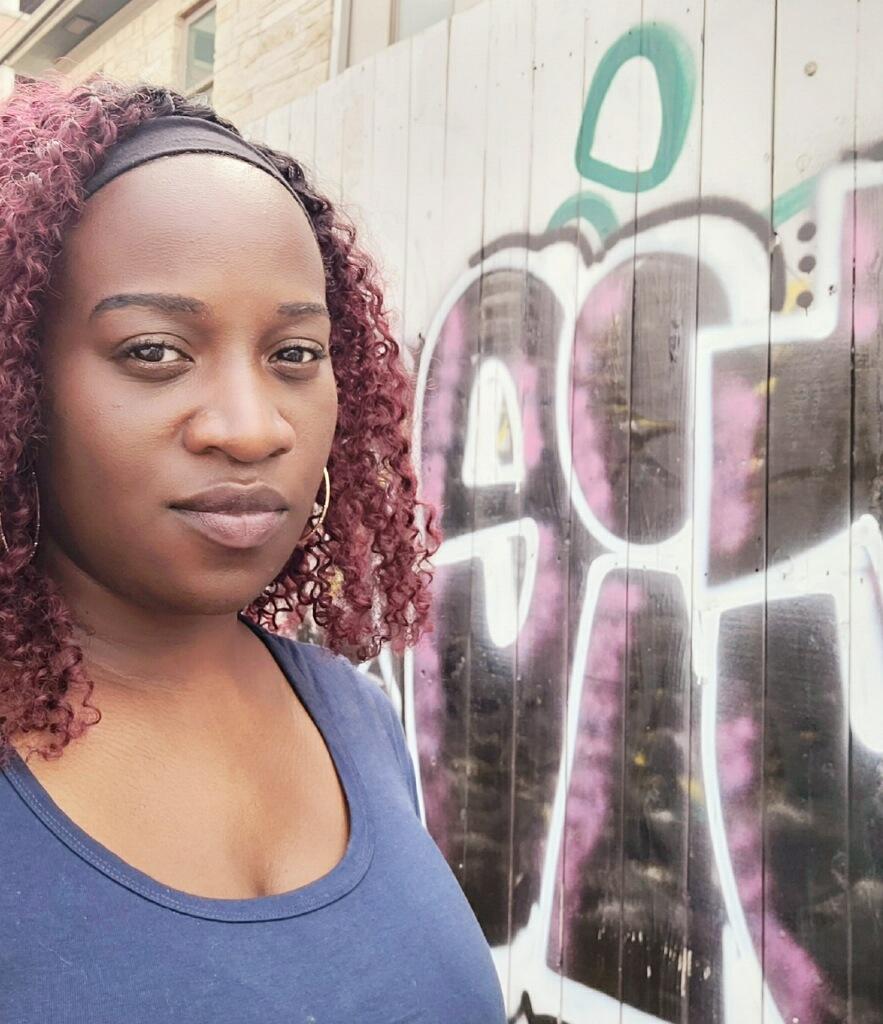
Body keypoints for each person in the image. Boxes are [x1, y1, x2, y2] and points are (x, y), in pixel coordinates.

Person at [0, 73, 507, 1023]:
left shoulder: (355, 718)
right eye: (154, 352)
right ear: (18, 387)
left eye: (293, 356)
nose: (249, 426)